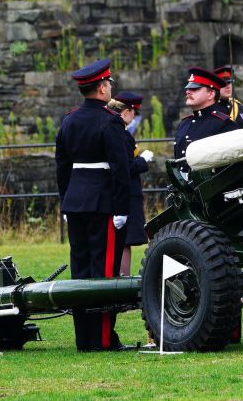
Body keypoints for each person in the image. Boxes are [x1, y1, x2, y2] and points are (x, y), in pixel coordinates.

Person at [55, 58, 131, 351]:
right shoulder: (110, 121)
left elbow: (62, 167)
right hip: (104, 204)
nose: (110, 87)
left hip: (76, 203)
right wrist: (122, 209)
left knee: (81, 270)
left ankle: (84, 339)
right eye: (109, 83)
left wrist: (66, 202)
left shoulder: (69, 120)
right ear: (101, 88)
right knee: (104, 272)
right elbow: (120, 169)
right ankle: (101, 339)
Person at [109, 92, 154, 277]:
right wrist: (143, 161)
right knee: (124, 240)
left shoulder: (121, 132)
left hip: (126, 191)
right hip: (126, 193)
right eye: (133, 111)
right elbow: (125, 167)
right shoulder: (121, 134)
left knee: (124, 239)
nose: (134, 116)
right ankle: (123, 277)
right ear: (126, 111)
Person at [173, 66, 238, 173]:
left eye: (195, 88)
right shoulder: (184, 123)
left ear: (211, 94)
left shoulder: (224, 124)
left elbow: (231, 168)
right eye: (188, 88)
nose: (188, 92)